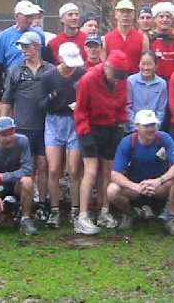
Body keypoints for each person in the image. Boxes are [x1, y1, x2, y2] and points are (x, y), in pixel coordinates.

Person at [73, 51, 130, 234]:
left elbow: (122, 106)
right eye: (116, 74)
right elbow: (80, 110)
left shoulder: (121, 82)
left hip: (112, 128)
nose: (117, 80)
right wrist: (85, 132)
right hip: (90, 127)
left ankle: (105, 211)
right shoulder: (88, 79)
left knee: (108, 170)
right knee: (90, 170)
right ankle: (82, 216)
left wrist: (120, 124)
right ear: (107, 67)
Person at [107, 110, 174, 235]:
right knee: (112, 190)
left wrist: (159, 181)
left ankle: (171, 217)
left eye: (153, 125)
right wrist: (136, 187)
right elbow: (115, 174)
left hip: (159, 186)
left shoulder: (163, 138)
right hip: (135, 188)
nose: (151, 129)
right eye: (146, 126)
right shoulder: (128, 142)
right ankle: (130, 213)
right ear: (137, 126)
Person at [0, 31, 53, 219]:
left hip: (46, 127)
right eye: (21, 47)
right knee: (25, 167)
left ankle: (43, 203)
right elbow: (7, 100)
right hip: (22, 128)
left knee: (43, 164)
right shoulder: (15, 70)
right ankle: (23, 204)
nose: (24, 50)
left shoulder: (50, 70)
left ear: (37, 46)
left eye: (27, 46)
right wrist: (1, 126)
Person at [40, 42, 87, 227]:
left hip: (75, 122)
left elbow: (88, 97)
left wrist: (79, 106)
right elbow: (41, 104)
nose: (71, 67)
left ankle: (76, 210)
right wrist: (54, 97)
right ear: (60, 59)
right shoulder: (49, 76)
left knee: (74, 169)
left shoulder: (82, 74)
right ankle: (54, 210)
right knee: (53, 169)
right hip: (54, 121)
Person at [0, 0, 47, 102]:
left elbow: (44, 59)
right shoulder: (3, 37)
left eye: (31, 16)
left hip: (36, 85)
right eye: (27, 16)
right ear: (17, 16)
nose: (30, 20)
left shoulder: (39, 35)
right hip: (12, 86)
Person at [127, 53, 168, 132]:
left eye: (149, 64)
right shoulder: (131, 81)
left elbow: (161, 110)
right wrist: (135, 127)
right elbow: (127, 107)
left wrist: (154, 128)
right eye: (143, 64)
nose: (146, 68)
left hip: (153, 129)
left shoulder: (162, 84)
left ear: (156, 66)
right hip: (133, 129)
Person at [104, 0, 149, 72]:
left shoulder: (143, 38)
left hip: (135, 81)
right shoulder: (106, 39)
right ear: (116, 14)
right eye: (122, 11)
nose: (125, 15)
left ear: (133, 15)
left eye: (128, 12)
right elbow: (104, 67)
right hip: (115, 81)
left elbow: (145, 64)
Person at [149, 1, 174, 79]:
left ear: (172, 20)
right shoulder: (149, 39)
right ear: (155, 19)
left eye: (168, 17)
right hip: (155, 82)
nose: (164, 19)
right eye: (161, 16)